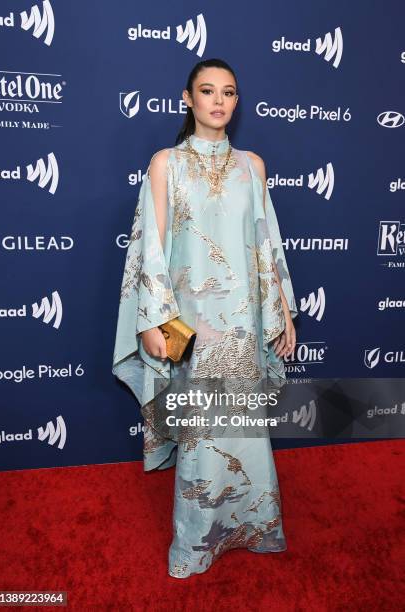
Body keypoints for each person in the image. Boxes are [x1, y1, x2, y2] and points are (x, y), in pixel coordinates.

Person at [112, 58, 298, 578]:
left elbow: (268, 246)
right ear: (188, 99)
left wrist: (283, 310)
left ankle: (255, 529)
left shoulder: (252, 166)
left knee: (244, 432)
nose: (219, 101)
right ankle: (196, 544)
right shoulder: (165, 163)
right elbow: (151, 245)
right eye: (208, 91)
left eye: (229, 92)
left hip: (242, 319)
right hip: (186, 324)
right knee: (199, 435)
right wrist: (152, 321)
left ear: (237, 103)